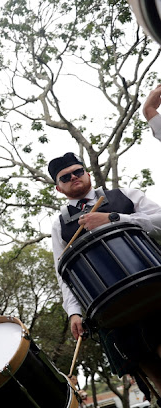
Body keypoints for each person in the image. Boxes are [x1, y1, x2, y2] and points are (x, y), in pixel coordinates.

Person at [49, 152, 161, 392]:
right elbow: (63, 273)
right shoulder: (59, 225)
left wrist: (114, 218)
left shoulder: (124, 195)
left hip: (153, 288)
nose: (74, 177)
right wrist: (73, 312)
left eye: (78, 171)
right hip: (111, 309)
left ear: (87, 173)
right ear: (59, 188)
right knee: (152, 373)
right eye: (65, 177)